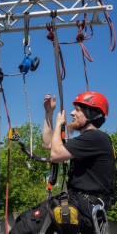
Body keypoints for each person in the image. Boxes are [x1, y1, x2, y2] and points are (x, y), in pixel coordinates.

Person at [9, 91, 115, 234]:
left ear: (91, 113)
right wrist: (49, 113)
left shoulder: (96, 138)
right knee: (23, 221)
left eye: (77, 110)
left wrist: (59, 124)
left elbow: (55, 154)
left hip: (83, 205)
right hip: (80, 203)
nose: (72, 113)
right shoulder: (88, 142)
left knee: (23, 228)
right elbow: (48, 143)